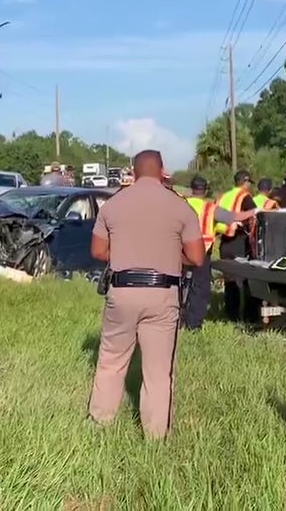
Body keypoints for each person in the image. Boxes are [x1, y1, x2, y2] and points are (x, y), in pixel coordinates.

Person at [88, 150, 204, 439]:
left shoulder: (113, 205)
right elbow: (197, 257)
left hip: (122, 291)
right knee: (158, 370)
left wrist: (127, 254)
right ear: (162, 170)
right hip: (162, 294)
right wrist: (167, 255)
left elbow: (98, 251)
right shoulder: (180, 207)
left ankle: (99, 421)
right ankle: (155, 435)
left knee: (111, 359)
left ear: (134, 171)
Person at [184, 175, 259, 330]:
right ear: (205, 191)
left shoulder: (181, 203)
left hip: (180, 251)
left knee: (179, 284)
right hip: (202, 252)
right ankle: (194, 324)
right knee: (200, 288)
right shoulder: (210, 208)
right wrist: (254, 211)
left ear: (191, 189)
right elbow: (235, 216)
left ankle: (177, 319)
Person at [215, 170, 258, 321]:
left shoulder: (223, 196)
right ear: (245, 182)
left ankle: (231, 314)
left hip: (224, 241)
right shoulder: (244, 196)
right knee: (243, 279)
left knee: (229, 278)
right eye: (249, 183)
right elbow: (254, 215)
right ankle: (248, 316)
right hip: (239, 240)